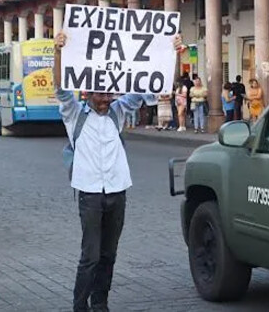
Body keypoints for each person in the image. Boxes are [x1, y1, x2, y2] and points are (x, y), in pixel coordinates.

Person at [53, 31, 182, 312]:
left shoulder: (118, 111)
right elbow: (60, 88)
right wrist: (58, 51)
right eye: (101, 94)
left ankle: (100, 303)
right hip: (89, 193)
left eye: (109, 94)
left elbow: (156, 85)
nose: (106, 99)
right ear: (87, 93)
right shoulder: (74, 114)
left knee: (109, 254)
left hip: (117, 190)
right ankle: (80, 306)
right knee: (90, 255)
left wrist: (174, 53)